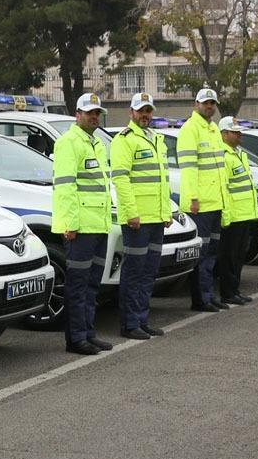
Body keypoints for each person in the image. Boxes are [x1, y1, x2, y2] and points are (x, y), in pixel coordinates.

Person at [52, 93, 114, 353]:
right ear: (77, 115)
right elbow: (65, 187)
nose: (94, 116)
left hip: (99, 224)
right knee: (77, 286)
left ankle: (88, 332)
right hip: (80, 228)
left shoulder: (96, 143)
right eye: (89, 112)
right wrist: (70, 224)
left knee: (92, 285)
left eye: (97, 113)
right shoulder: (68, 142)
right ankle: (76, 339)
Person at [110, 93, 171, 338]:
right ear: (131, 113)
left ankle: (142, 319)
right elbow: (121, 179)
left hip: (156, 218)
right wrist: (132, 213)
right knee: (134, 272)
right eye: (140, 110)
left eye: (148, 110)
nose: (145, 115)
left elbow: (162, 181)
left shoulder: (156, 139)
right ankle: (129, 324)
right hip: (137, 220)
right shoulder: (124, 140)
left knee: (149, 272)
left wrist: (166, 212)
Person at [177, 88, 226, 310]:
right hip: (201, 205)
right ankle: (200, 299)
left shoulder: (214, 128)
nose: (209, 106)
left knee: (212, 253)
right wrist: (193, 199)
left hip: (216, 202)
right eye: (205, 103)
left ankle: (208, 294)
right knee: (201, 254)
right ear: (196, 104)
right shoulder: (190, 129)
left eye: (212, 103)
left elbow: (219, 169)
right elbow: (188, 169)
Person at [215, 116, 258, 303]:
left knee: (240, 254)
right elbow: (223, 187)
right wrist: (226, 214)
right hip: (233, 215)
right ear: (224, 134)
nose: (239, 134)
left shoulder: (239, 153)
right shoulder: (223, 156)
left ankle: (235, 289)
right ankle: (228, 292)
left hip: (245, 213)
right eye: (235, 132)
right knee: (229, 256)